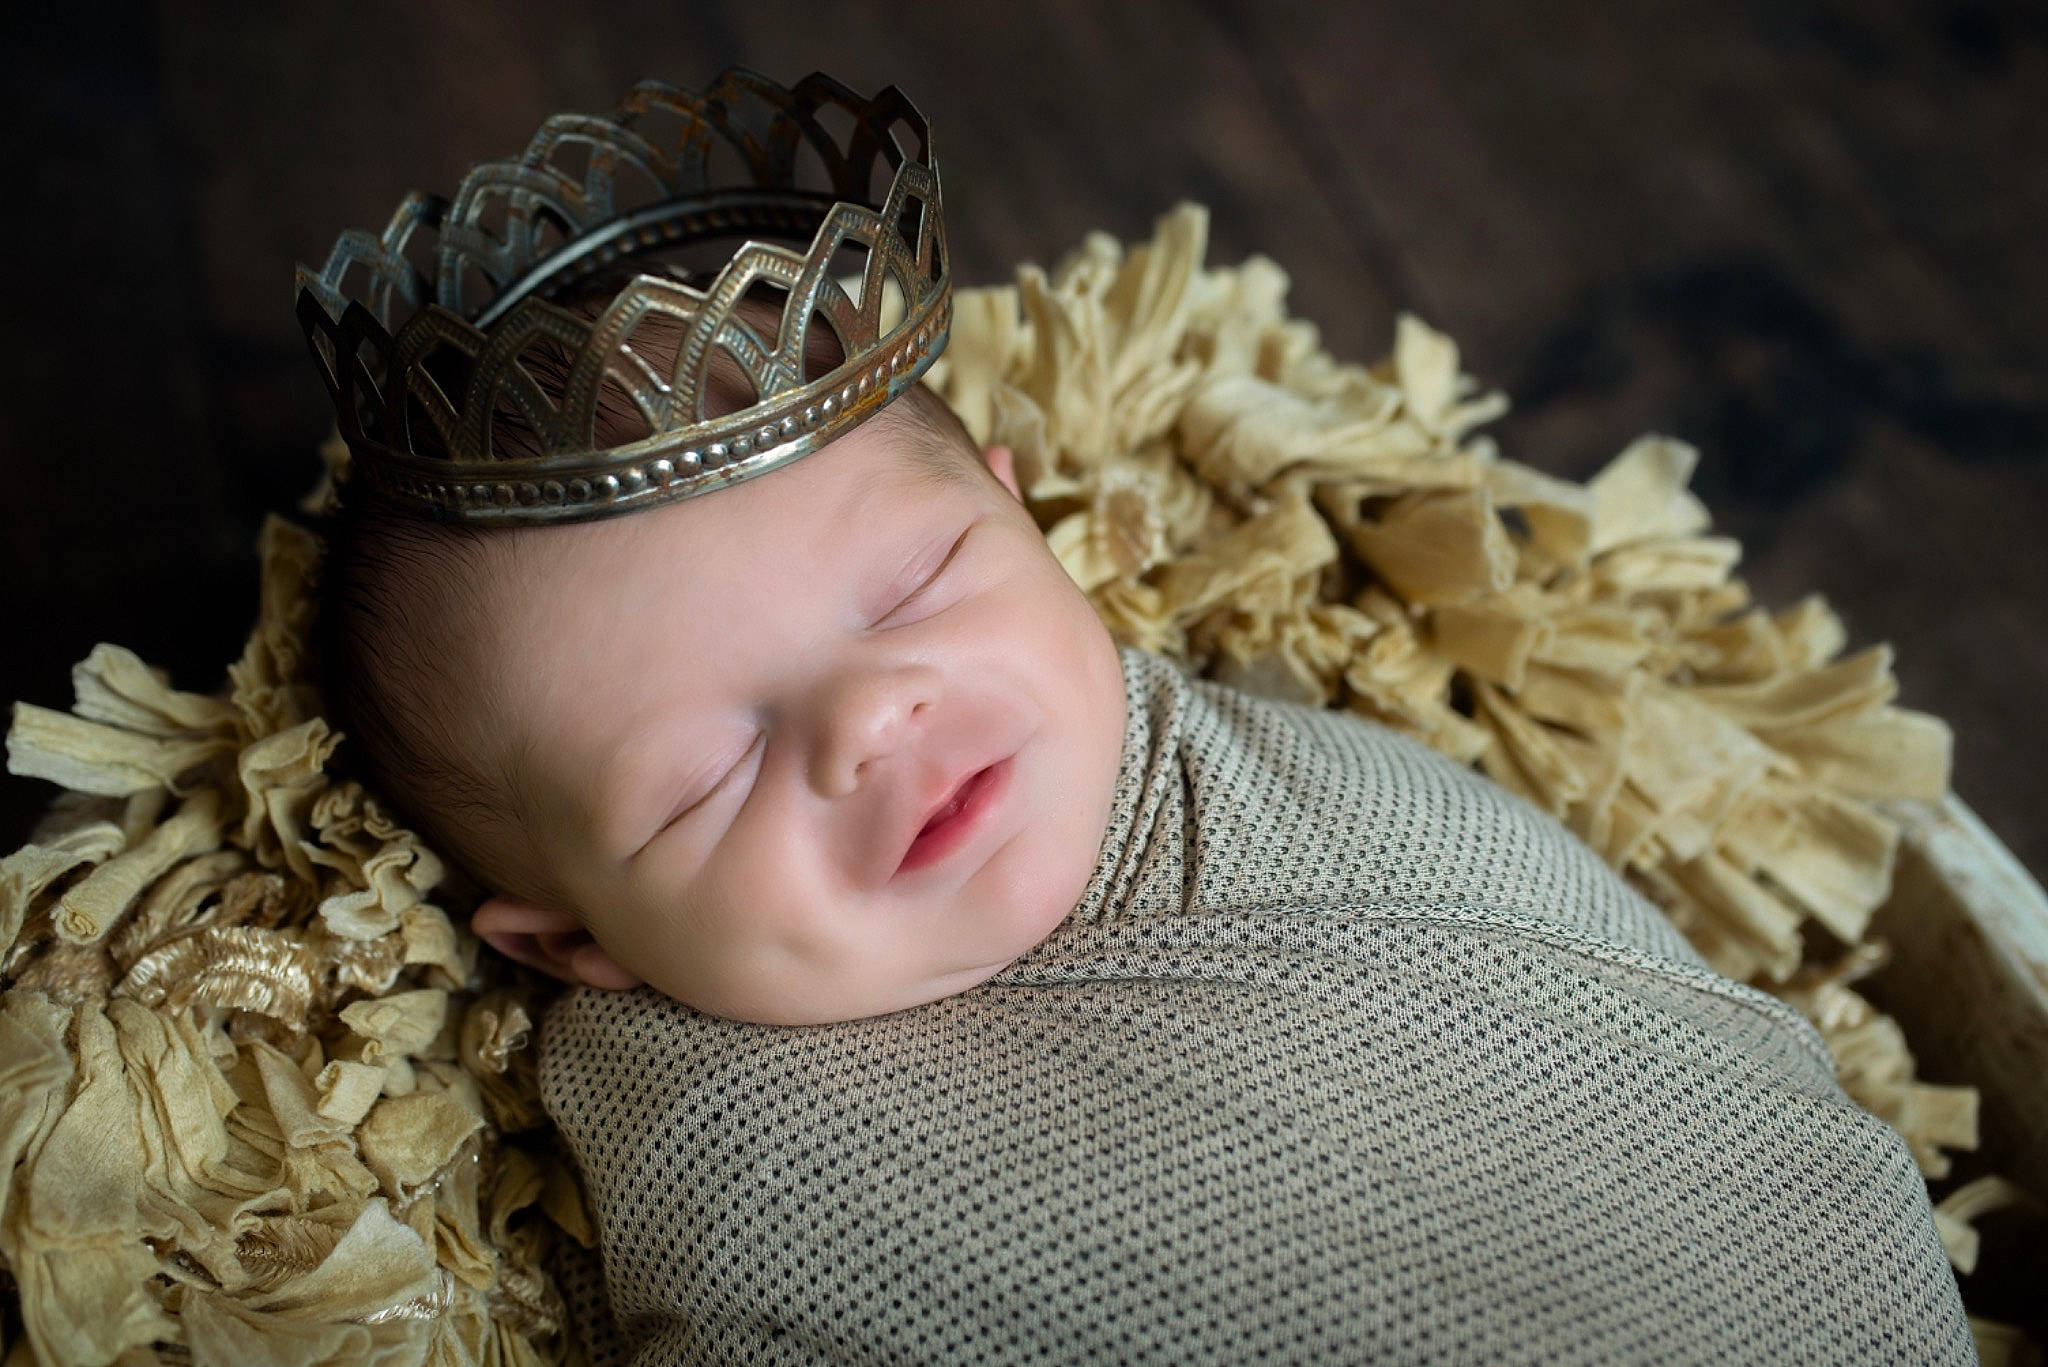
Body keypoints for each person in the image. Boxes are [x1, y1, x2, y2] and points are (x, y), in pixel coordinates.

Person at [303, 71, 1975, 1365]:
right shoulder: (711, 1145)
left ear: (1032, 526)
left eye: (913, 590)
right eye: (710, 775)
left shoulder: (1285, 782)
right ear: (569, 945)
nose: (875, 717)